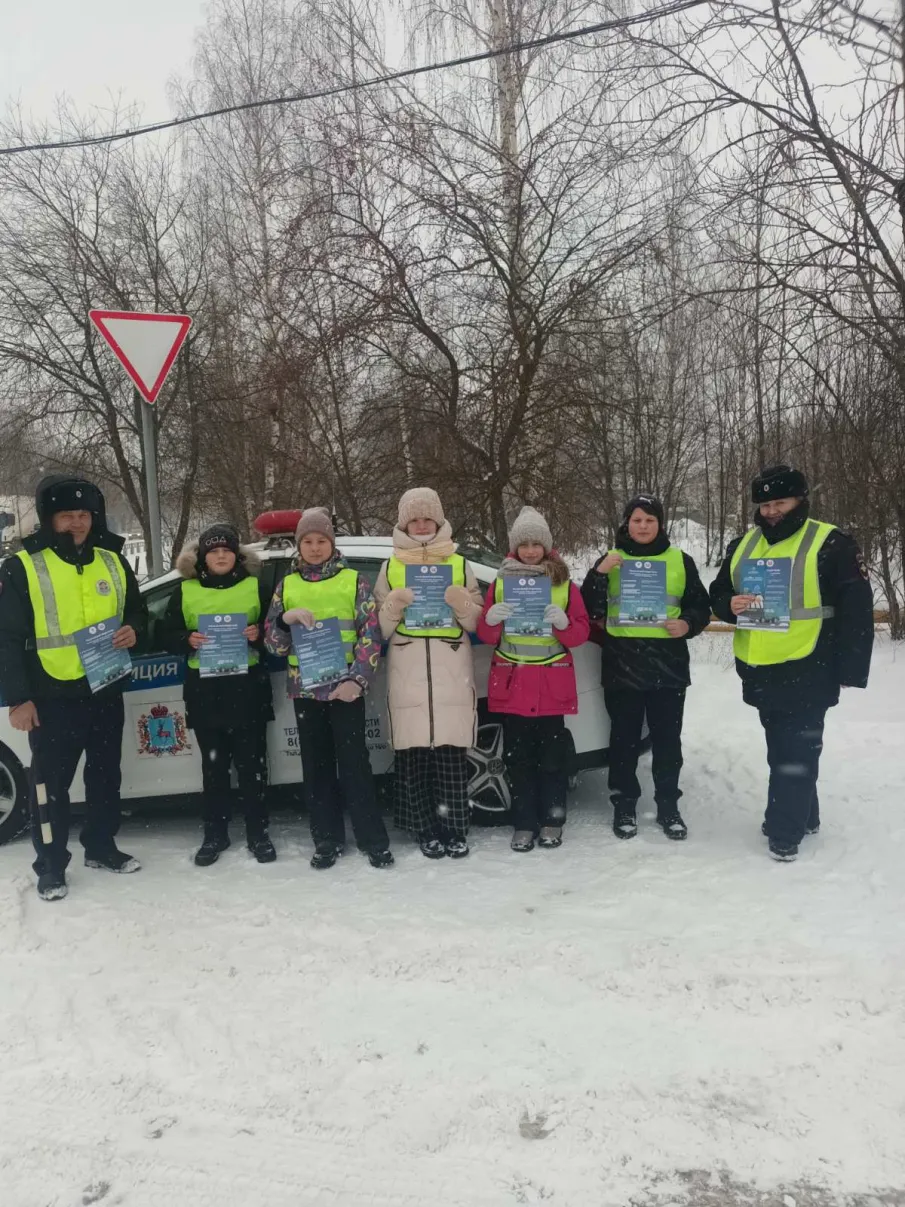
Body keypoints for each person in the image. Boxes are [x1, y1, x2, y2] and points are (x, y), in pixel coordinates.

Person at [710, 465, 873, 862]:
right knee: (785, 748)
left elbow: (857, 608)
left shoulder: (830, 542)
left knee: (793, 752)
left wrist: (850, 669)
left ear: (800, 500)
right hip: (760, 666)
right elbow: (720, 591)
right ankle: (806, 814)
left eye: (779, 502)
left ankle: (784, 831)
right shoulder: (744, 544)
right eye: (764, 504)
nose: (770, 511)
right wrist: (728, 605)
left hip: (809, 663)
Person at [0, 474, 147, 901]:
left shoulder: (112, 561)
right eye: (68, 515)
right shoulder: (23, 566)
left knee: (106, 776)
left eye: (84, 514)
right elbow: (7, 638)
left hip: (105, 687)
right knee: (49, 786)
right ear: (49, 518)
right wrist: (19, 698)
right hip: (51, 694)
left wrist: (134, 629)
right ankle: (50, 865)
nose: (77, 522)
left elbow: (138, 612)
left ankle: (101, 846)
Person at [264, 508, 393, 869]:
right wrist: (284, 622)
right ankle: (327, 840)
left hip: (345, 691)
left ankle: (373, 840)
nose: (315, 547)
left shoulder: (353, 581)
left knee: (355, 766)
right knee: (316, 769)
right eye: (308, 541)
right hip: (306, 693)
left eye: (322, 541)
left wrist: (357, 680)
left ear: (332, 543)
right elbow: (273, 646)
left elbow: (371, 635)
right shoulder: (286, 586)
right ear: (299, 545)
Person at [581, 494, 711, 841]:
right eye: (636, 520)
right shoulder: (610, 559)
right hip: (622, 664)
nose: (642, 526)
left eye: (649, 520)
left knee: (668, 742)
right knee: (623, 741)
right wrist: (598, 574)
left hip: (667, 667)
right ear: (627, 523)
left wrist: (687, 624)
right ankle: (624, 804)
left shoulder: (680, 560)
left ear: (660, 524)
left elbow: (700, 606)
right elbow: (586, 608)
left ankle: (668, 805)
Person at [374, 488, 483, 859]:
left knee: (451, 753)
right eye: (414, 519)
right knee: (414, 753)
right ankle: (423, 828)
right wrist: (390, 606)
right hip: (408, 666)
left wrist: (463, 603)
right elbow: (379, 629)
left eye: (427, 518)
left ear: (438, 521)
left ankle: (454, 829)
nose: (421, 525)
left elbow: (476, 621)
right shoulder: (390, 566)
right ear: (404, 523)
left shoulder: (459, 563)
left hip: (451, 664)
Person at [161, 523, 276, 866]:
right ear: (203, 558)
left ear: (237, 555)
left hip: (248, 689)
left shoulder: (257, 587)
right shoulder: (185, 591)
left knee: (252, 766)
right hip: (206, 691)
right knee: (213, 770)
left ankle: (258, 833)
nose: (221, 555)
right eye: (214, 551)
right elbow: (162, 634)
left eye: (227, 550)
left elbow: (278, 634)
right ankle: (215, 833)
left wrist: (258, 635)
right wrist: (186, 639)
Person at [476, 507, 589, 852]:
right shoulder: (500, 583)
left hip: (550, 686)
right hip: (512, 685)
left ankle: (552, 820)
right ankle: (524, 823)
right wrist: (491, 618)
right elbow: (485, 634)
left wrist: (564, 625)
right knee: (518, 761)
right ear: (513, 547)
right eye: (523, 544)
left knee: (552, 761)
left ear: (547, 547)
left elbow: (581, 633)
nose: (529, 550)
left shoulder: (565, 586)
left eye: (535, 544)